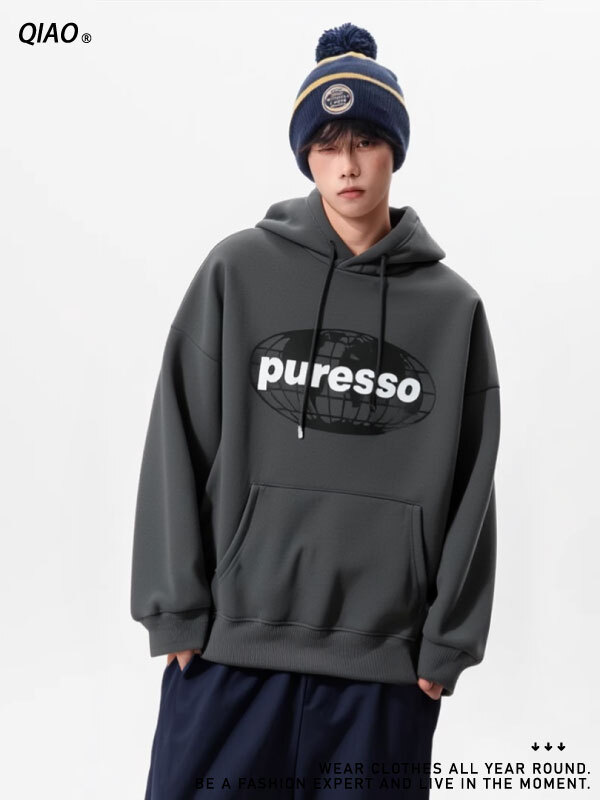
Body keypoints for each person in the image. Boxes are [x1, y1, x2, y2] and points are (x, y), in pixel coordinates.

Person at [130, 22, 501, 800]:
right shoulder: (237, 270)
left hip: (384, 672)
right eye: (328, 146)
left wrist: (449, 642)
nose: (349, 164)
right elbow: (177, 438)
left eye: (366, 141)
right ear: (306, 157)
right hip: (230, 655)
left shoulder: (452, 310)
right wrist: (174, 611)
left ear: (395, 150)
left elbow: (473, 484)